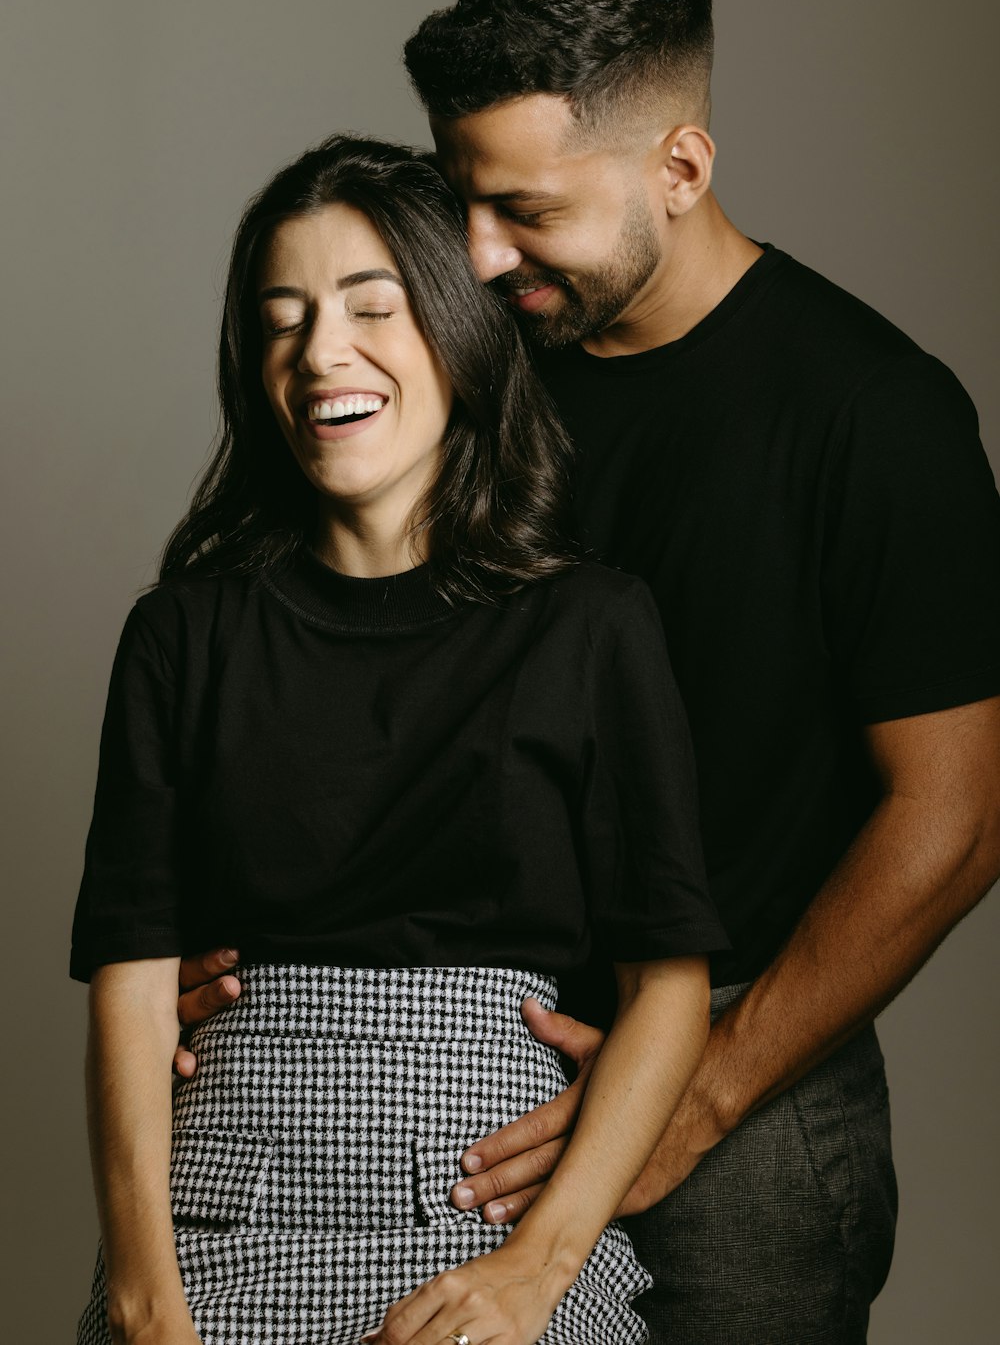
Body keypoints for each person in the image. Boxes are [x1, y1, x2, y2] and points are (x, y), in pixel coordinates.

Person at [175, 0, 1000, 1344]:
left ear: (681, 169)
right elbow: (320, 670)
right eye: (460, 197)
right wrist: (219, 937)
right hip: (444, 1072)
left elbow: (959, 813)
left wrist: (707, 1085)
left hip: (740, 1084)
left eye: (528, 210)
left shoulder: (875, 413)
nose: (480, 254)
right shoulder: (461, 372)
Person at [70, 134, 731, 1345]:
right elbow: (130, 987)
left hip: (496, 1202)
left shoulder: (591, 623)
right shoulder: (181, 634)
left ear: (459, 334)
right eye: (282, 318)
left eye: (371, 306)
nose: (321, 352)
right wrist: (142, 1293)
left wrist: (538, 1265)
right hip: (227, 1211)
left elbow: (668, 985)